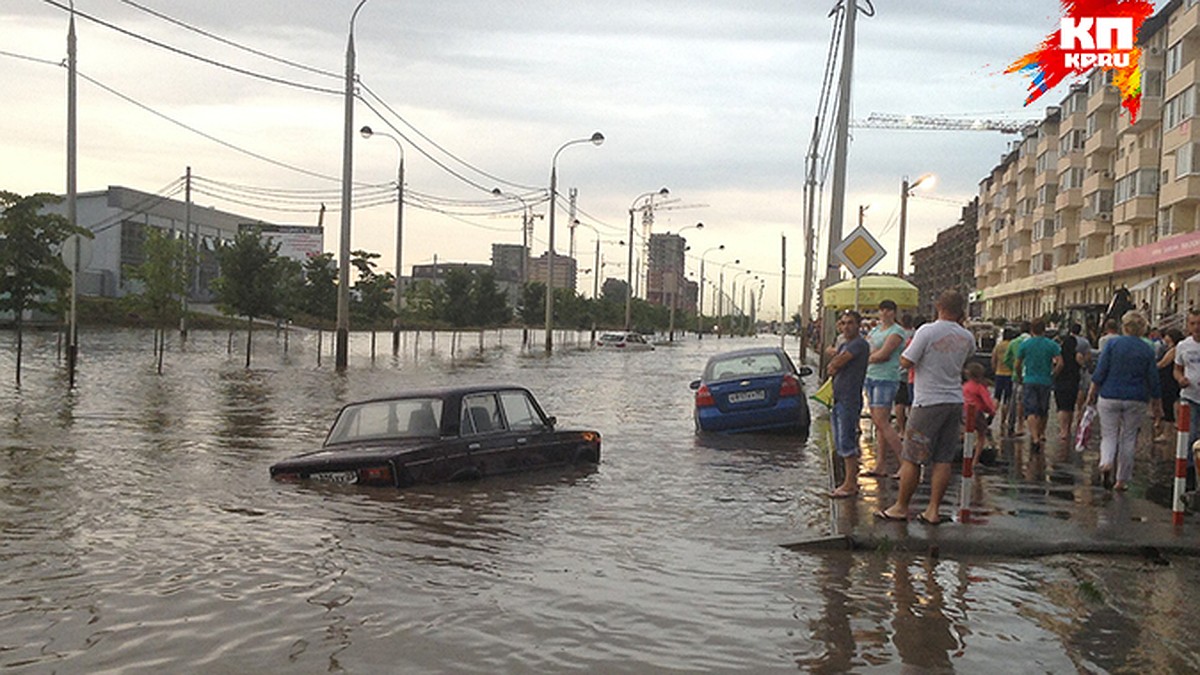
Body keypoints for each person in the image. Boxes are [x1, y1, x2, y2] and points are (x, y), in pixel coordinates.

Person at [876, 290, 975, 525]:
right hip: (954, 401)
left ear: (938, 306)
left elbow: (907, 361)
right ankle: (933, 510)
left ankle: (901, 507)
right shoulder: (967, 336)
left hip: (927, 403)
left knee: (912, 457)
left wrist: (904, 358)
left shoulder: (927, 331)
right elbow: (965, 359)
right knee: (942, 459)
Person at [1087, 310, 1161, 491]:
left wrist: (1092, 392)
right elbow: (1153, 378)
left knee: (1109, 434)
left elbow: (1100, 371)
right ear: (1142, 328)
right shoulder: (1147, 349)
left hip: (1110, 394)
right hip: (1136, 397)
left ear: (1124, 326)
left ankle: (1106, 463)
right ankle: (1121, 480)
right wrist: (1157, 404)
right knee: (1128, 437)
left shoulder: (1112, 344)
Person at [827, 310, 870, 499]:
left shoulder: (859, 344)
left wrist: (835, 363)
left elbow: (837, 363)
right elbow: (833, 364)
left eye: (850, 323)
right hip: (838, 397)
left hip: (850, 398)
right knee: (840, 441)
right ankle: (848, 481)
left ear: (858, 325)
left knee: (847, 441)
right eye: (843, 323)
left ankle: (850, 483)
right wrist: (835, 363)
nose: (846, 327)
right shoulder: (845, 344)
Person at [861, 299, 907, 478]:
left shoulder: (897, 332)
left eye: (889, 310)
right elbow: (868, 349)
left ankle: (905, 461)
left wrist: (868, 358)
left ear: (894, 313)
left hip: (886, 378)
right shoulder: (874, 330)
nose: (885, 314)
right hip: (871, 377)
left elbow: (884, 354)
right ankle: (880, 464)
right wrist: (870, 357)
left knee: (882, 421)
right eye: (882, 310)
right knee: (878, 423)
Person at [1015, 318, 1063, 453]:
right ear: (1044, 330)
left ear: (1031, 330)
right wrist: (1053, 374)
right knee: (1043, 409)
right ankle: (1041, 434)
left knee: (1030, 410)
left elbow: (1018, 364)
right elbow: (1060, 363)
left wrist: (1020, 376)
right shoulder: (1051, 345)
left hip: (1029, 379)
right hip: (1045, 380)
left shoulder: (1025, 344)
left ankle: (1034, 437)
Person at [1175, 310, 1200, 475]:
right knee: (1190, 434)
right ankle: (1189, 470)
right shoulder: (1183, 346)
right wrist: (1180, 379)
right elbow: (1177, 369)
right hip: (1190, 396)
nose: (1197, 327)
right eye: (1193, 324)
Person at [1053, 325, 1082, 445]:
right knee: (1070, 407)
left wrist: (1053, 375)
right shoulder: (1077, 355)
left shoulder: (1059, 354)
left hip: (1061, 381)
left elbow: (1056, 365)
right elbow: (1083, 364)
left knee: (1061, 407)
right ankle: (1068, 429)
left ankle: (1063, 430)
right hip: (1073, 381)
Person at [963, 362, 996, 459]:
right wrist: (992, 412)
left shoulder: (965, 386)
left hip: (964, 412)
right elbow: (987, 402)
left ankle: (966, 455)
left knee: (967, 433)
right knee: (981, 435)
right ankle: (975, 460)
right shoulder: (979, 387)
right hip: (976, 413)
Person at [1155, 328, 1184, 442]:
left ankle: (1167, 433)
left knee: (1168, 407)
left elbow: (1163, 364)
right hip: (1170, 380)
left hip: (1169, 381)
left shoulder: (1174, 350)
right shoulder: (1174, 349)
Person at [1004, 321, 1032, 435]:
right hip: (1031, 375)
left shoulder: (1014, 343)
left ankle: (1011, 425)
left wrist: (1013, 369)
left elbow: (1006, 359)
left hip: (1017, 376)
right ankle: (1029, 427)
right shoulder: (1033, 342)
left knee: (1014, 401)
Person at [893, 313, 915, 437]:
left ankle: (901, 430)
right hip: (913, 375)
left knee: (899, 403)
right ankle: (911, 431)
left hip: (899, 372)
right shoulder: (916, 335)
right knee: (912, 404)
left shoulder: (897, 334)